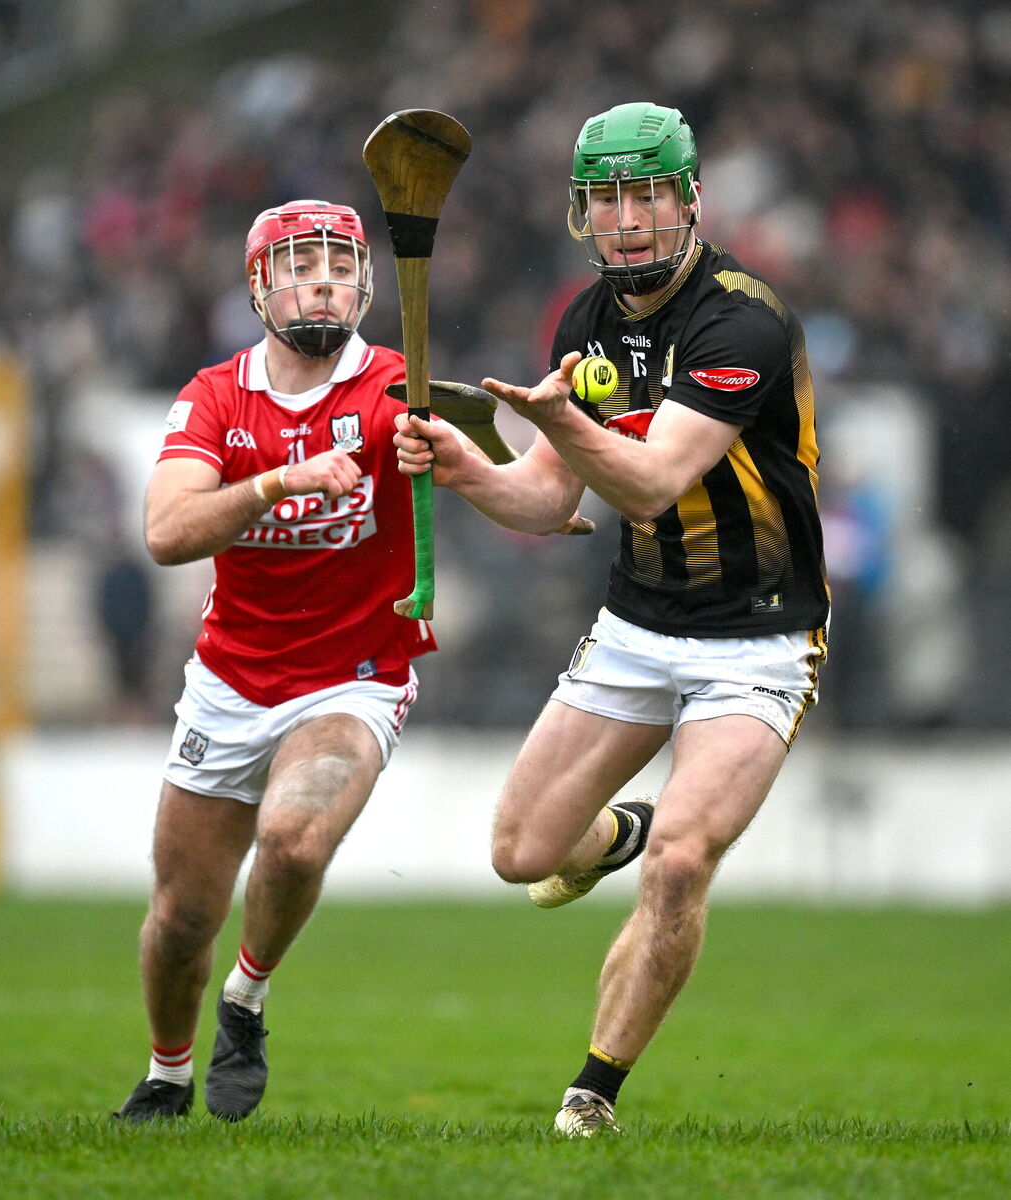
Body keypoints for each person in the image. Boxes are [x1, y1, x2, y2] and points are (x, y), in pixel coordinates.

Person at [395, 102, 829, 1137]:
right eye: (607, 199)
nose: (628, 218)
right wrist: (463, 467)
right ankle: (612, 833)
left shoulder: (741, 320)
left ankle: (592, 1092)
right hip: (638, 625)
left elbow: (645, 482)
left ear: (687, 201)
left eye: (648, 194)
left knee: (681, 859)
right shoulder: (585, 323)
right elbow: (551, 504)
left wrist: (550, 422)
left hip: (758, 635)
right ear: (581, 212)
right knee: (519, 851)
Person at [114, 199, 437, 1121]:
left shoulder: (397, 385)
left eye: (339, 265)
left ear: (367, 282)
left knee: (294, 838)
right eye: (300, 266)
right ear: (260, 286)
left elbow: (493, 478)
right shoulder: (217, 396)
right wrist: (279, 480)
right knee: (181, 918)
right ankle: (168, 1077)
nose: (323, 282)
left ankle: (247, 1000)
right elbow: (168, 531)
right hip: (231, 681)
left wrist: (492, 467)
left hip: (356, 674)